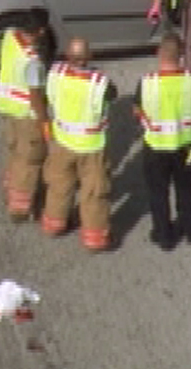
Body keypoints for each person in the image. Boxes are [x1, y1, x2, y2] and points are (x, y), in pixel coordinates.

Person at [40, 37, 117, 252]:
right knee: (94, 192)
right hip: (91, 146)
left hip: (63, 141)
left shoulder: (55, 74)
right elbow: (113, 94)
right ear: (89, 57)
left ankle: (54, 224)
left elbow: (48, 97)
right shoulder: (99, 83)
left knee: (59, 184)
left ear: (67, 55)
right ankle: (95, 238)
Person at [133, 33, 191, 251]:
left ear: (158, 54)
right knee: (187, 189)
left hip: (156, 147)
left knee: (158, 193)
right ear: (181, 55)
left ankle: (164, 236)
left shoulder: (147, 83)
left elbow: (137, 110)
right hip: (186, 146)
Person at [0, 9, 51, 222]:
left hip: (8, 108)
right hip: (27, 114)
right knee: (30, 161)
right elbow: (35, 95)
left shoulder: (9, 37)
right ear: (41, 31)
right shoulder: (32, 61)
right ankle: (19, 208)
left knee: (15, 153)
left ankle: (9, 191)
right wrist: (45, 122)